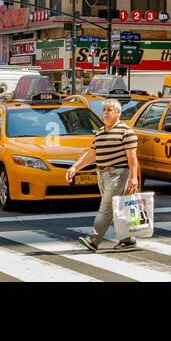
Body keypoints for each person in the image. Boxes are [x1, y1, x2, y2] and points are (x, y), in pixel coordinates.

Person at [67, 99, 142, 251]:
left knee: (106, 207)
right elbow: (91, 154)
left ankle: (93, 239)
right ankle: (127, 240)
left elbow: (132, 157)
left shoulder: (126, 131)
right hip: (102, 174)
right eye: (104, 110)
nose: (105, 113)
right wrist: (75, 168)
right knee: (114, 209)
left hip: (118, 173)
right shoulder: (100, 132)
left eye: (109, 110)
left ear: (118, 113)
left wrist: (134, 177)